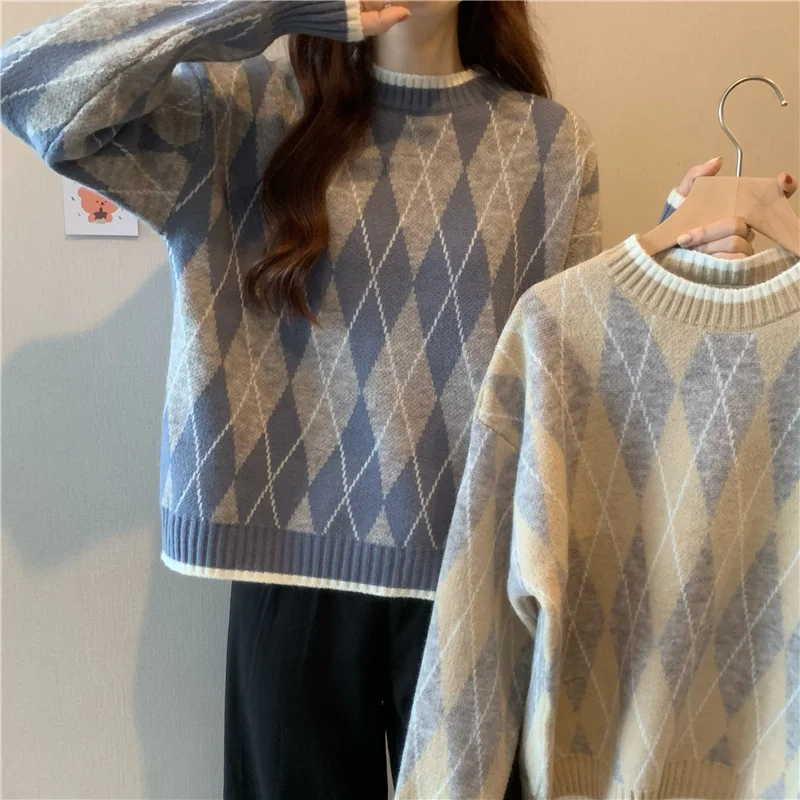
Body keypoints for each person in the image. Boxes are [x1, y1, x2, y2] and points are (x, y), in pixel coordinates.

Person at [1, 1, 794, 798]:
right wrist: (271, 8)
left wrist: (665, 252)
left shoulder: (549, 145)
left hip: (475, 577)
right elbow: (29, 85)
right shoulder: (242, 111)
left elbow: (569, 361)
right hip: (287, 572)